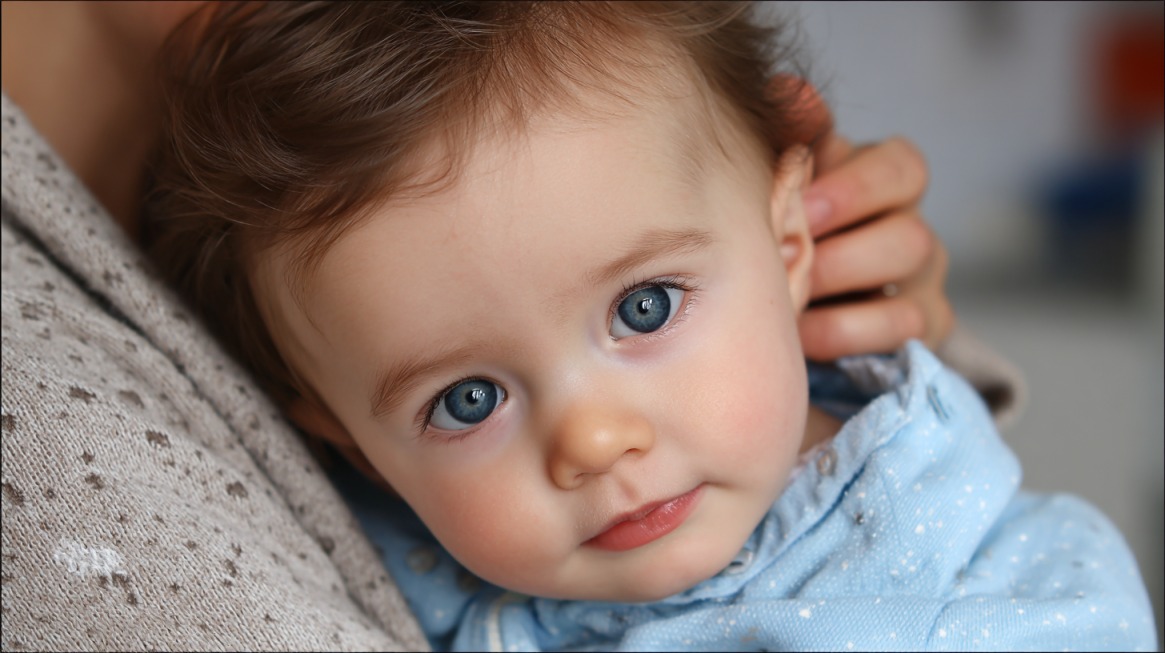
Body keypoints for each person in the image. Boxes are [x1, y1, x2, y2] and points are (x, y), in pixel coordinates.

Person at [0, 1, 1015, 650]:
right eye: (469, 398)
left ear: (788, 240)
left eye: (645, 306)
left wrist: (856, 325)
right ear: (343, 436)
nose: (593, 438)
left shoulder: (974, 572)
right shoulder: (416, 550)